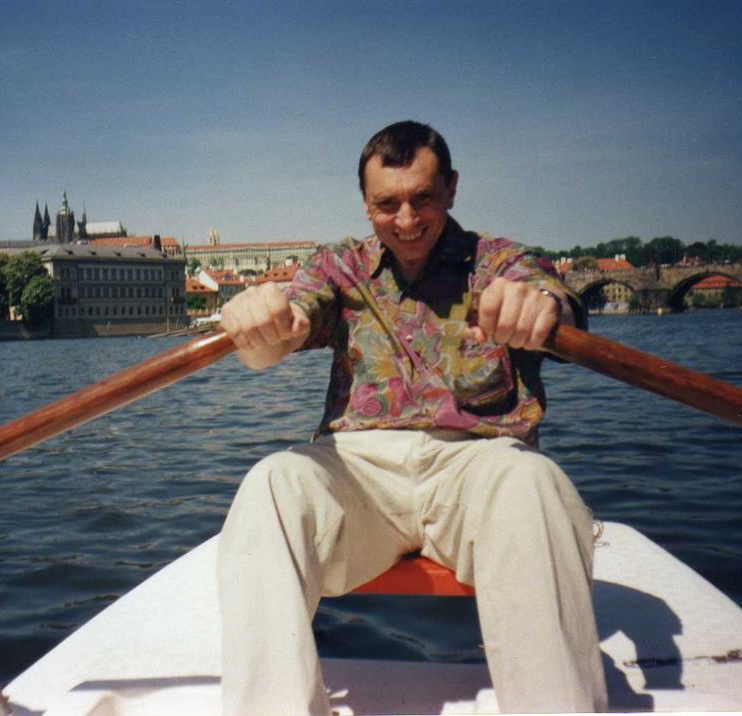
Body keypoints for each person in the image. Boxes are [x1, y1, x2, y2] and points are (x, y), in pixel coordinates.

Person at [217, 120, 607, 714]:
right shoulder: (338, 267)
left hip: (479, 467)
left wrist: (542, 306)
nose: (406, 220)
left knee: (535, 484)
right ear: (365, 203)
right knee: (270, 483)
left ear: (451, 188)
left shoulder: (501, 262)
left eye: (422, 198)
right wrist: (261, 324)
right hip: (359, 474)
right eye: (386, 204)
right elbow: (288, 326)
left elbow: (559, 306)